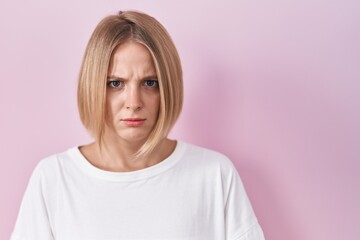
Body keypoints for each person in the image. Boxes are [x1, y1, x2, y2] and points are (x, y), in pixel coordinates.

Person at [11, 10, 265, 240]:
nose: (133, 102)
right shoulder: (55, 179)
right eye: (116, 83)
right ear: (92, 86)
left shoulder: (213, 174)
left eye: (150, 83)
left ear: (169, 87)